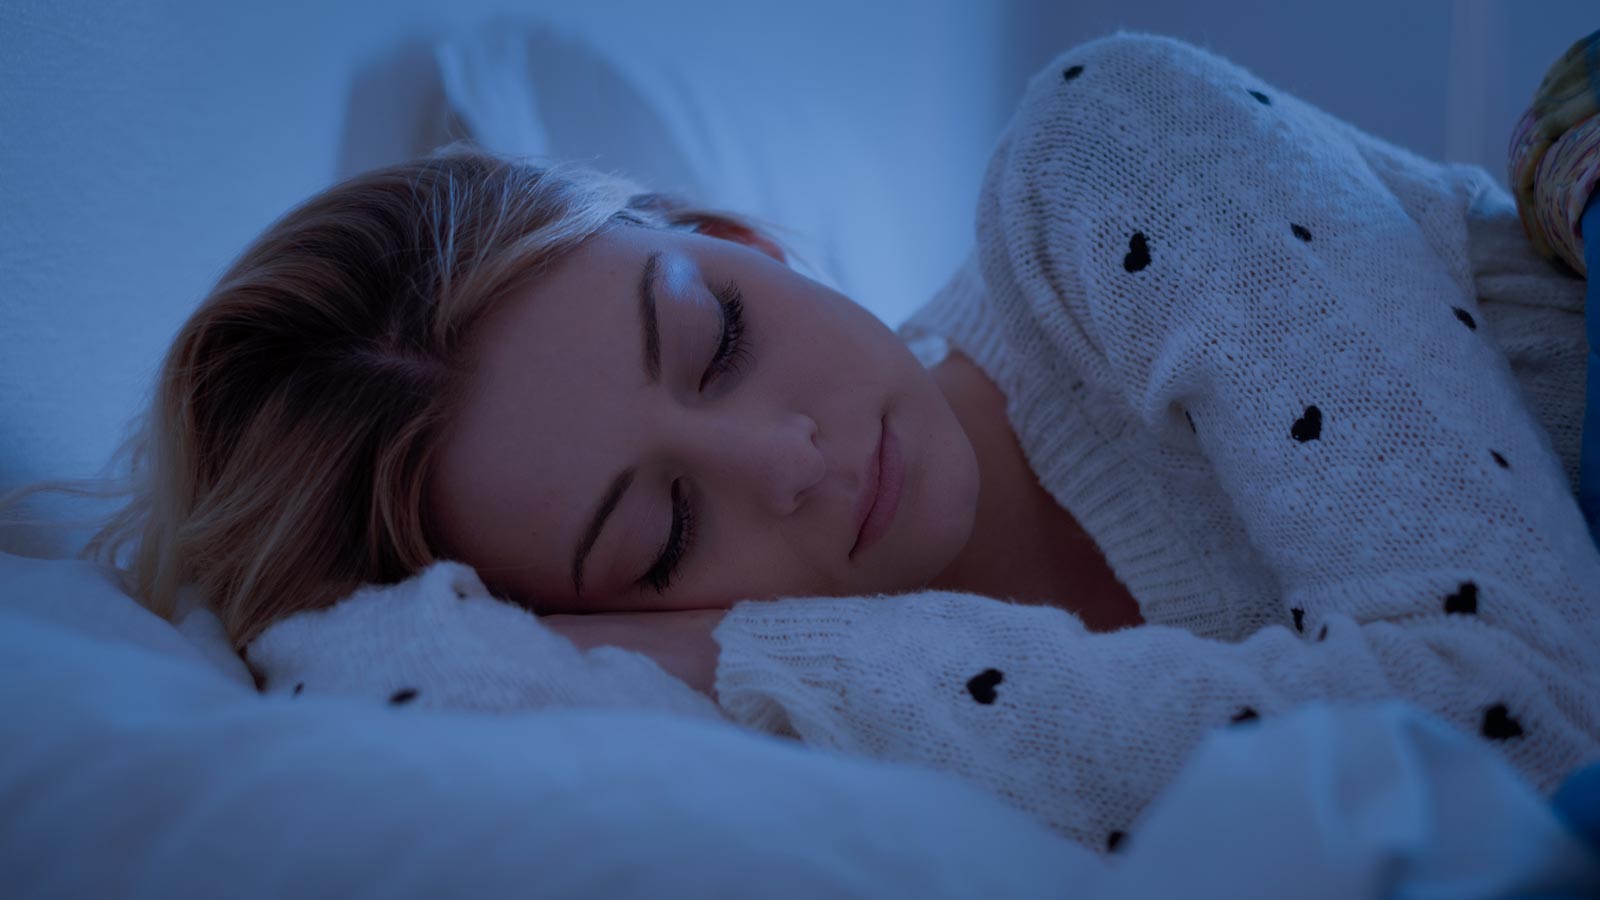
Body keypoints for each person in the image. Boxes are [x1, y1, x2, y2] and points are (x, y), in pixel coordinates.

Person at [6, 32, 1598, 853]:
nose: (788, 462)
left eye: (719, 336)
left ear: (736, 236)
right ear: (577, 628)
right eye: (663, 537)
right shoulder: (792, 728)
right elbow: (373, 688)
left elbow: (1538, 720)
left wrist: (743, 647)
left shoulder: (1108, 152)